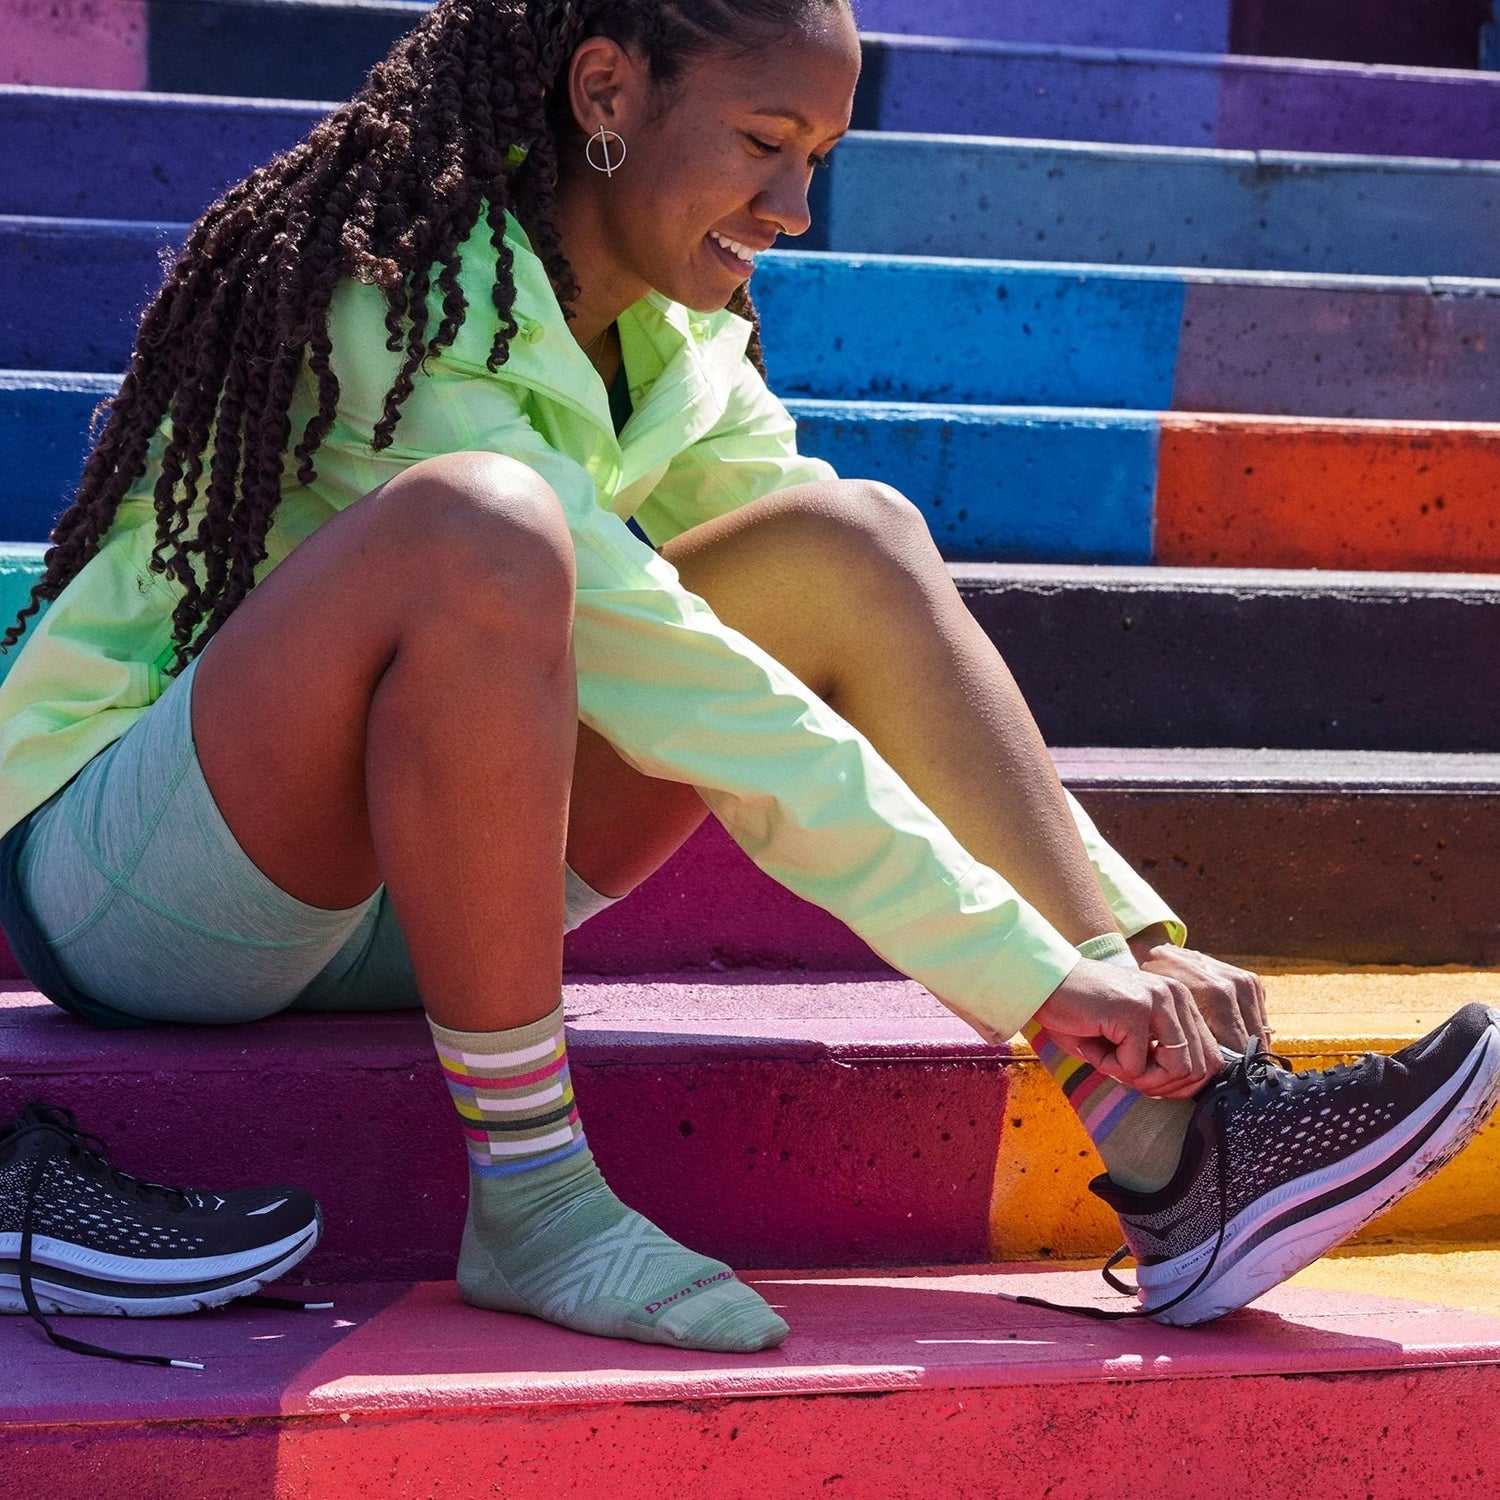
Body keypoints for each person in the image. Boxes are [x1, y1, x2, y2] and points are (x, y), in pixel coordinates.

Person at [0, 0, 1496, 1359]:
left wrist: (1119, 944)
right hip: (153, 889)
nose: (794, 207)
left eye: (822, 155)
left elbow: (815, 634)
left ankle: (1181, 1146)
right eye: (766, 144)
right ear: (607, 90)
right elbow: (699, 693)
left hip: (435, 890)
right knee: (487, 530)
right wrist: (1031, 973)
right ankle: (533, 1200)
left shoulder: (675, 339)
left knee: (850, 538)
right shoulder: (389, 309)